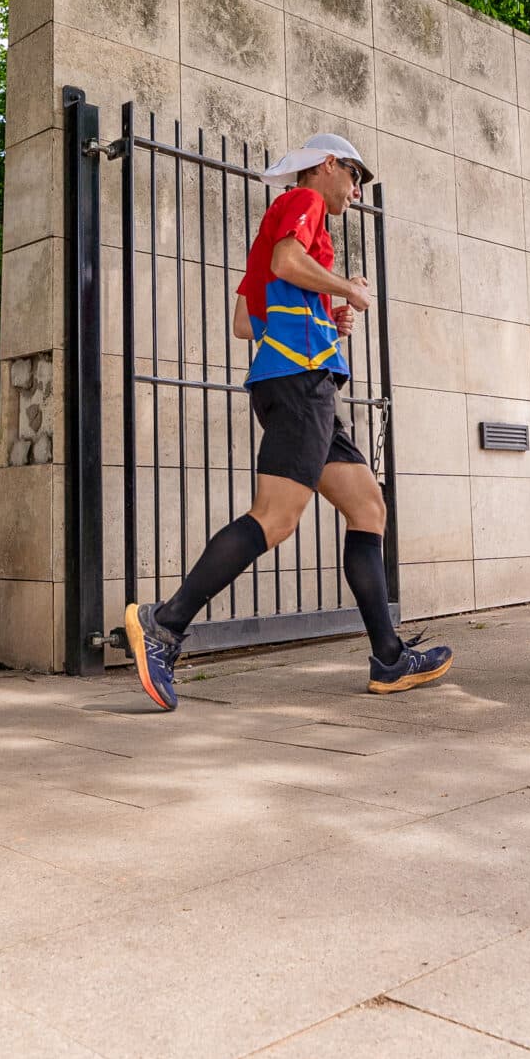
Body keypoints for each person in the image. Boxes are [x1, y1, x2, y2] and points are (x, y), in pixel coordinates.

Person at [120, 131, 453, 711]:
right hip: (300, 385)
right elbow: (287, 262)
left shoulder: (283, 224)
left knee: (367, 507)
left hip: (306, 381)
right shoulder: (301, 204)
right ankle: (165, 625)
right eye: (353, 175)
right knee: (275, 519)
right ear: (326, 165)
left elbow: (245, 322)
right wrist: (345, 285)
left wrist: (328, 313)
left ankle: (390, 658)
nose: (356, 189)